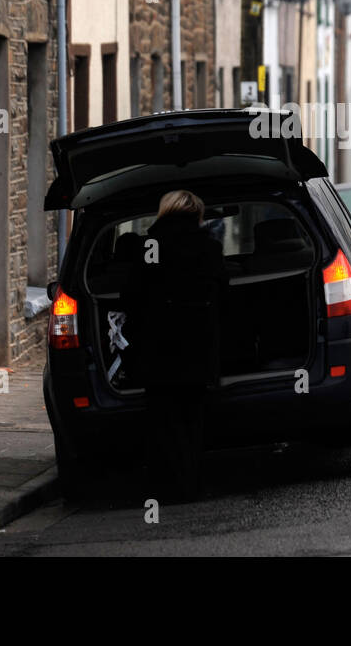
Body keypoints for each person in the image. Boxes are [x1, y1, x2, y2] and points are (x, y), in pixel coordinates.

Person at [121, 189, 228, 501]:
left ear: (163, 213)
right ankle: (191, 483)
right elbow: (223, 290)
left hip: (158, 349)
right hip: (198, 347)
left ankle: (166, 486)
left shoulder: (149, 246)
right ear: (197, 215)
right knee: (193, 418)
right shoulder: (208, 246)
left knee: (163, 419)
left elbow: (130, 296)